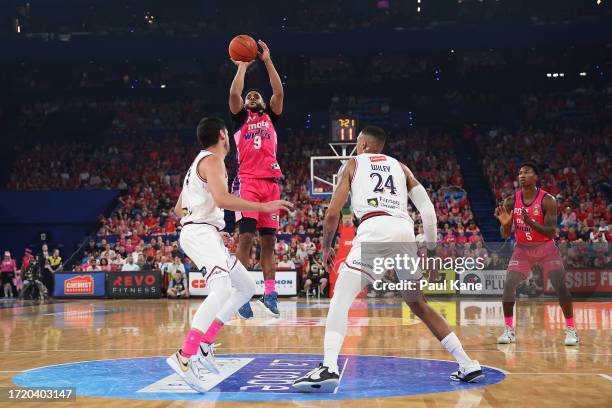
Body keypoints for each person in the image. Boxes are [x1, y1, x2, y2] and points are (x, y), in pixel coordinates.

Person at [293, 126, 483, 392]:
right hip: (403, 232)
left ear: (364, 144)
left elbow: (333, 213)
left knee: (341, 298)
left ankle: (329, 367)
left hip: (374, 229)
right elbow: (428, 212)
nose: (357, 146)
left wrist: (326, 247)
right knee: (419, 304)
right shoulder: (401, 167)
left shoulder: (353, 164)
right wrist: (429, 248)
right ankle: (467, 363)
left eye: (358, 141)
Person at [165, 116, 292, 393]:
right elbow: (223, 200)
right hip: (200, 233)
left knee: (245, 286)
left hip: (204, 232)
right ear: (224, 135)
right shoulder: (212, 160)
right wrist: (263, 205)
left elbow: (179, 209)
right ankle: (185, 356)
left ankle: (206, 343)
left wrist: (207, 223)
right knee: (221, 288)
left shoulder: (198, 163)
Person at [228, 40, 285, 319]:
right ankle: (240, 292)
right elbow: (235, 93)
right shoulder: (240, 118)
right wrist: (242, 66)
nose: (251, 98)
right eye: (249, 97)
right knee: (246, 238)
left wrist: (267, 60)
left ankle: (270, 293)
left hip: (271, 184)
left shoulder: (272, 116)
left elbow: (278, 91)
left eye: (256, 96)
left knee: (268, 244)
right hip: (247, 182)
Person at [495, 162, 578, 346]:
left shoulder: (548, 200)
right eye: (520, 172)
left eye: (527, 172)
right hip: (523, 248)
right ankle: (509, 331)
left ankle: (571, 329)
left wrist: (529, 222)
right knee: (509, 283)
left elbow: (551, 232)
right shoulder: (511, 201)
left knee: (559, 284)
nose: (522, 175)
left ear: (536, 177)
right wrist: (507, 224)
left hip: (546, 247)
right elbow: (504, 234)